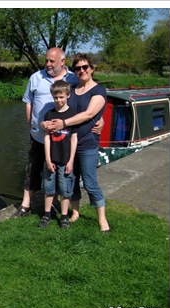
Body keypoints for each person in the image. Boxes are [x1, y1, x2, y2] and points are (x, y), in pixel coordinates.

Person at [44, 53, 110, 233]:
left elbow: (89, 114)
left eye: (85, 67)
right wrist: (45, 122)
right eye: (78, 68)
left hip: (87, 144)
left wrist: (64, 123)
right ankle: (75, 212)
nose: (82, 71)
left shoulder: (98, 90)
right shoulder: (71, 88)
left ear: (91, 69)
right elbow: (60, 109)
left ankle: (102, 219)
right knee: (70, 180)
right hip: (67, 145)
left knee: (90, 182)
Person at [14, 47, 80, 217]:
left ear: (63, 62)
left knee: (59, 170)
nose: (48, 64)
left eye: (52, 61)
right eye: (46, 60)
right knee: (32, 169)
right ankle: (26, 204)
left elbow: (85, 99)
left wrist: (98, 119)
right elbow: (28, 102)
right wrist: (32, 124)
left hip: (62, 138)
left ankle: (56, 204)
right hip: (38, 136)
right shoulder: (36, 77)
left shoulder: (73, 78)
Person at [39, 81, 77, 229]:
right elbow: (47, 137)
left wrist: (71, 160)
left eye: (61, 97)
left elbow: (74, 138)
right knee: (49, 188)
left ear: (68, 95)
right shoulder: (49, 114)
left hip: (66, 159)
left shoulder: (72, 115)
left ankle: (64, 217)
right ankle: (47, 214)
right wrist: (48, 159)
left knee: (65, 189)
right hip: (51, 159)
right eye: (56, 97)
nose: (58, 100)